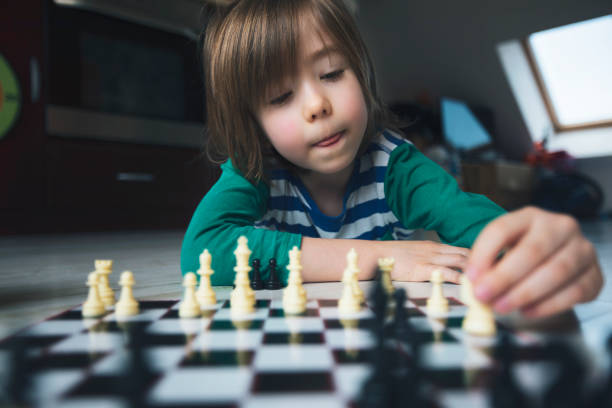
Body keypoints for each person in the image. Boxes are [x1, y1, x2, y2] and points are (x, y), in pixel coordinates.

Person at [181, 0, 602, 318]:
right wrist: (381, 258)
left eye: (331, 73)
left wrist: (538, 254)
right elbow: (201, 255)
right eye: (280, 97)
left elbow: (471, 220)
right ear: (252, 121)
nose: (316, 105)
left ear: (360, 72)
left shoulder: (396, 166)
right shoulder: (254, 167)